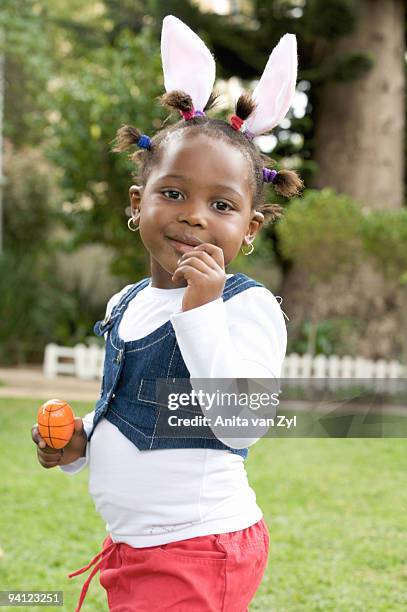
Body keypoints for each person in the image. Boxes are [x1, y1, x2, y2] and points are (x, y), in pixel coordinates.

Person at [31, 15, 302, 612]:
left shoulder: (246, 306)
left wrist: (201, 309)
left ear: (249, 228)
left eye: (222, 204)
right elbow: (134, 406)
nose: (195, 215)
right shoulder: (124, 303)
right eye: (174, 193)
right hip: (136, 547)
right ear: (139, 202)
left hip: (199, 547)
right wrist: (81, 446)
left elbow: (243, 426)